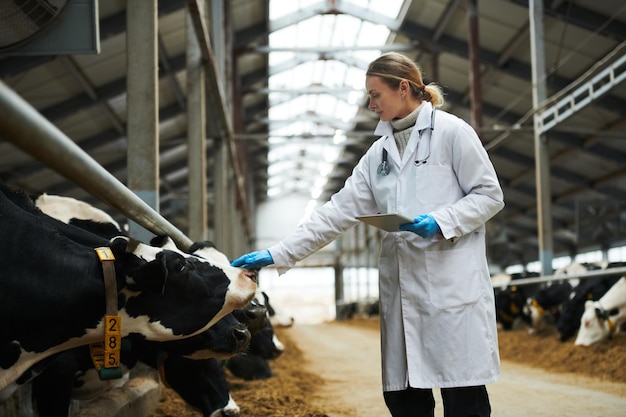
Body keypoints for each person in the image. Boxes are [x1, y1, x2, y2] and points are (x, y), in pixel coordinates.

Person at [231, 51, 504, 417]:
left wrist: (441, 221)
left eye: (375, 94)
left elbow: (489, 195)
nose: (370, 103)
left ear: (403, 88)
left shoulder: (453, 133)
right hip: (402, 295)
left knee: (463, 400)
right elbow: (335, 213)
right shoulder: (378, 156)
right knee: (404, 401)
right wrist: (276, 253)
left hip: (450, 290)